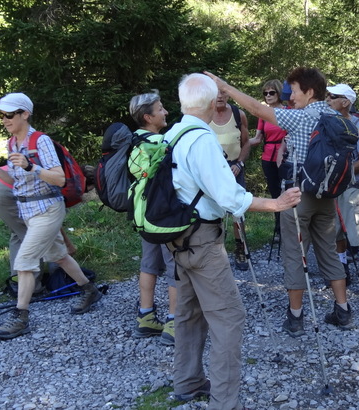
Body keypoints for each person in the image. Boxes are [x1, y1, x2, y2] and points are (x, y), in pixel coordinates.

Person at [164, 73, 301, 410]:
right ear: (213, 103)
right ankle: (225, 402)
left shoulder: (171, 134)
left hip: (176, 238)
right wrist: (275, 204)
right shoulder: (202, 139)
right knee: (229, 317)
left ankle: (187, 382)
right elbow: (229, 196)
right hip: (202, 240)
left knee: (189, 311)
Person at [205, 67, 354, 335]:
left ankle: (295, 317)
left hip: (298, 196)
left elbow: (257, 109)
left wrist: (225, 87)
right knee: (329, 250)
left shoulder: (299, 117)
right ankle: (343, 310)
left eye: (294, 91)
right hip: (327, 195)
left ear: (309, 92)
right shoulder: (336, 116)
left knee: (294, 253)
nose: (290, 96)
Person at [0, 92, 101, 340]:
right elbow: (15, 181)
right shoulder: (12, 144)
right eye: (2, 115)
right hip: (28, 211)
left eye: (9, 114)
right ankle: (90, 290)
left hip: (47, 209)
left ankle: (20, 317)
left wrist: (30, 166)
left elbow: (59, 178)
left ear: (25, 114)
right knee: (59, 255)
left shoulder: (41, 141)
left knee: (24, 261)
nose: (4, 119)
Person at [127, 90, 179, 345]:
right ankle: (174, 322)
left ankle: (145, 316)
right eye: (160, 109)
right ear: (148, 117)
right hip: (164, 214)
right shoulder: (161, 143)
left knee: (149, 263)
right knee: (174, 265)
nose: (165, 112)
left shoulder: (134, 140)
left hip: (143, 213)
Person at [325, 83, 359, 292]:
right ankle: (342, 269)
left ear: (345, 102)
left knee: (358, 230)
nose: (328, 99)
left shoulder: (358, 125)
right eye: (328, 95)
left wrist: (341, 173)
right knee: (335, 230)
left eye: (332, 96)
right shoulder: (327, 122)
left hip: (352, 184)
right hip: (331, 185)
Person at [210, 89, 251, 271]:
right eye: (216, 93)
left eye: (223, 93)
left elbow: (246, 142)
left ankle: (240, 248)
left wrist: (240, 164)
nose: (220, 96)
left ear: (228, 95)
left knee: (238, 210)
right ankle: (214, 249)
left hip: (235, 168)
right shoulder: (204, 115)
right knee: (212, 210)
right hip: (212, 170)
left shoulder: (238, 114)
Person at [249, 79, 288, 241]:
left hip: (285, 156)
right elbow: (257, 138)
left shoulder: (288, 111)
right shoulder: (263, 114)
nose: (268, 95)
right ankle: (279, 228)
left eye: (272, 92)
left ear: (279, 93)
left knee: (287, 190)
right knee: (275, 193)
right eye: (265, 93)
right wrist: (239, 144)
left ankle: (290, 227)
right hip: (268, 157)